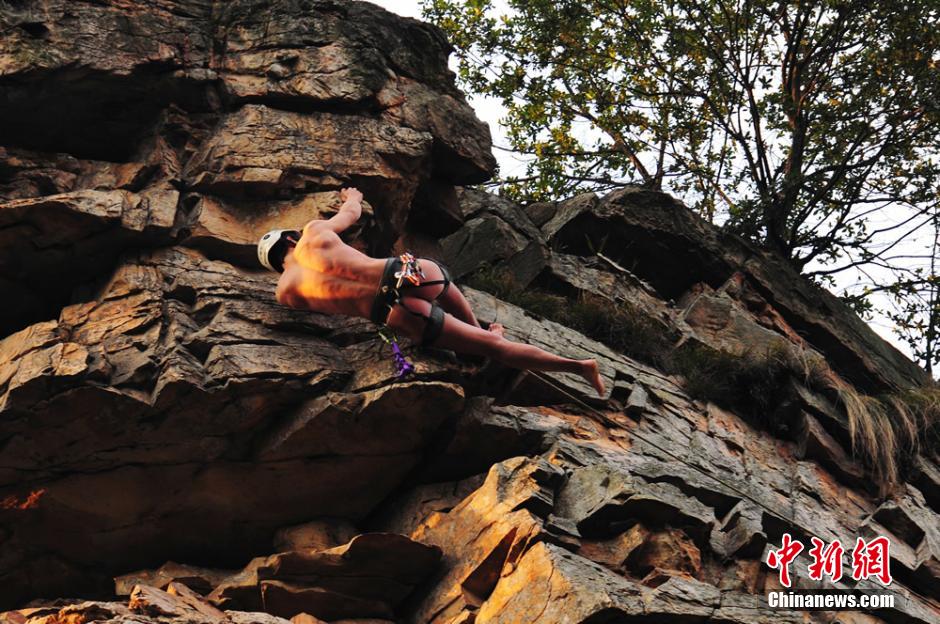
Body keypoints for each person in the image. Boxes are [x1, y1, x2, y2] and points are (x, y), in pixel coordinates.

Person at [257, 187, 605, 396]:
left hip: (395, 313)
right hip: (410, 272)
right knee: (445, 285)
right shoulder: (314, 232)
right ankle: (481, 331)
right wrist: (352, 196)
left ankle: (577, 366)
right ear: (290, 238)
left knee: (494, 350)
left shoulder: (285, 292)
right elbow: (351, 212)